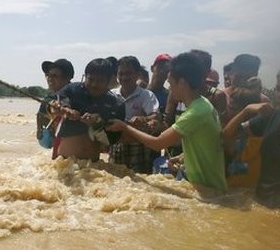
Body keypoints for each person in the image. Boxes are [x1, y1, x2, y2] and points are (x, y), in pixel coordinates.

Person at [107, 52, 228, 193]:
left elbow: (158, 143)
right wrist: (182, 157)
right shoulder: (202, 104)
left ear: (182, 82)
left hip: (207, 187)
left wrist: (124, 127)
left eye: (171, 83)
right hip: (203, 184)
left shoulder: (196, 112)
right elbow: (205, 142)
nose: (169, 89)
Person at [222, 62, 280, 210]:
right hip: (261, 205)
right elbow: (227, 135)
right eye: (278, 88)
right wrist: (246, 111)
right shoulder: (273, 117)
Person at [51, 58, 125, 160]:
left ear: (110, 80)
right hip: (64, 162)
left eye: (100, 81)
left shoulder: (116, 104)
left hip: (93, 164)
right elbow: (56, 101)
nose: (94, 84)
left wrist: (97, 124)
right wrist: (63, 109)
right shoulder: (72, 90)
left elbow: (112, 140)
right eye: (90, 79)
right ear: (85, 77)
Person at [109, 56, 160, 173]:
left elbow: (155, 117)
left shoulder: (146, 95)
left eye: (128, 73)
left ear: (137, 74)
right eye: (120, 73)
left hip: (138, 147)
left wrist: (143, 119)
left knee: (138, 185)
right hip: (116, 147)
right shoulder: (111, 95)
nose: (124, 77)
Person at [36, 59, 74, 158]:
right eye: (48, 75)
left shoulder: (78, 95)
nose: (49, 79)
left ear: (67, 78)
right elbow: (42, 137)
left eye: (55, 76)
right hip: (61, 152)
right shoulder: (49, 99)